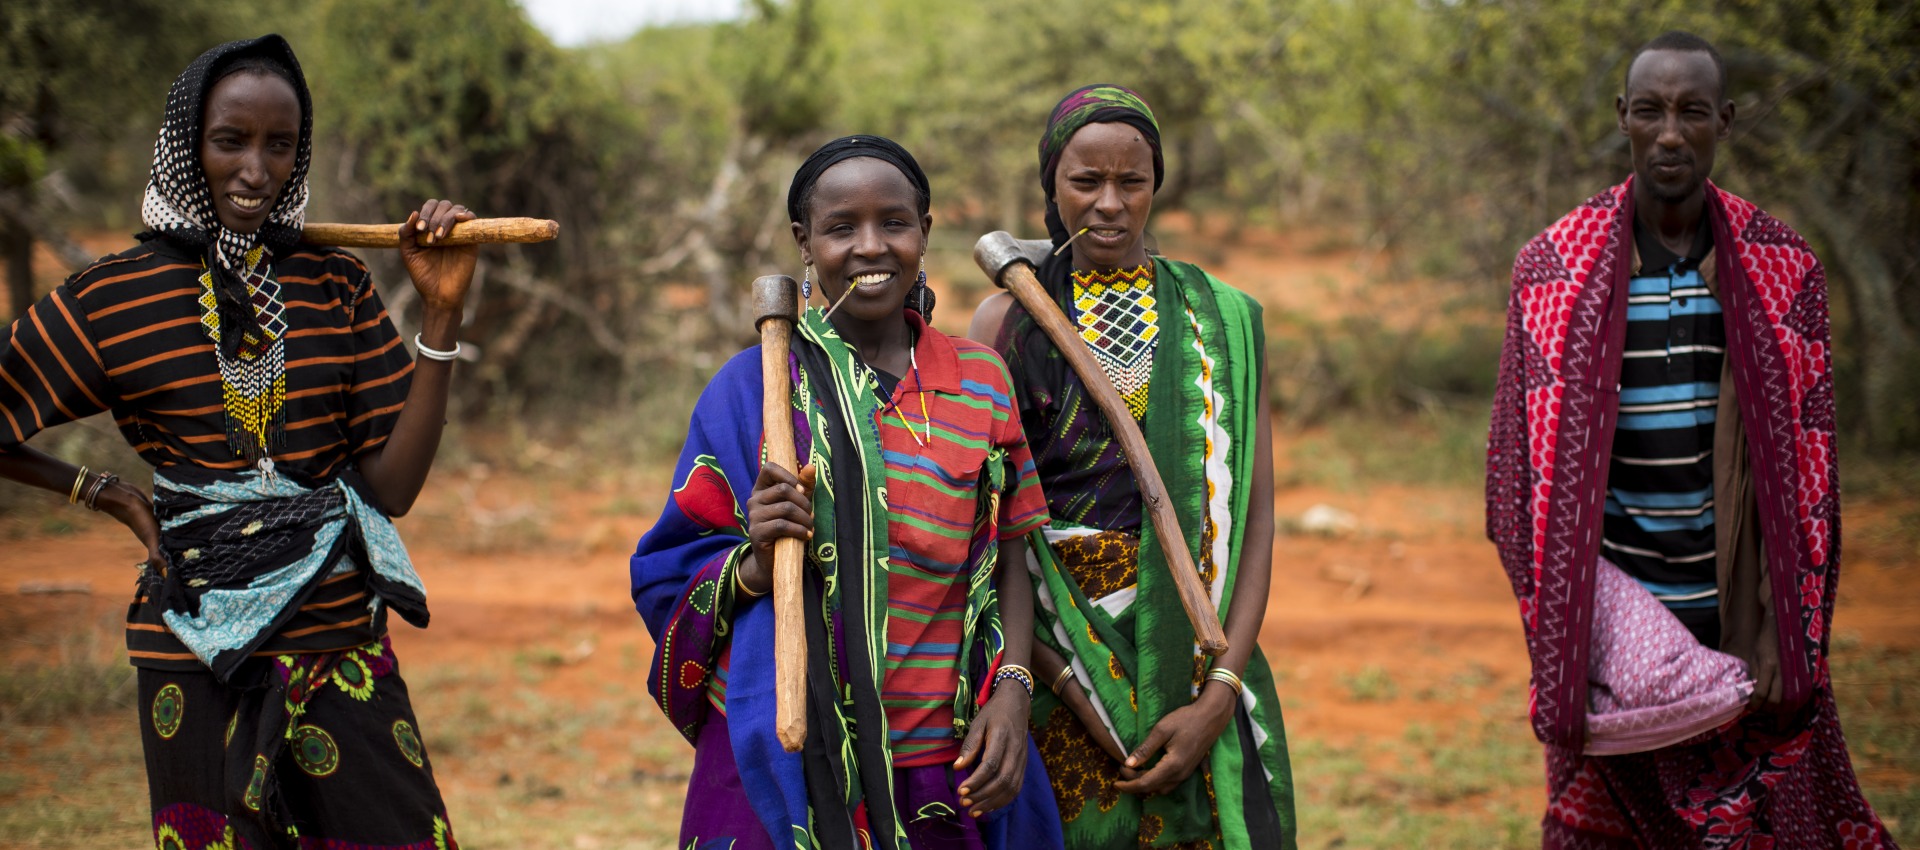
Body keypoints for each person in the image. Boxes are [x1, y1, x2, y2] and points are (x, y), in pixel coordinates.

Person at [0, 35, 475, 846]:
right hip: (192, 647)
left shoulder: (334, 284)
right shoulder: (112, 299)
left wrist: (440, 315)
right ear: (190, 145)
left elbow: (391, 491)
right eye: (232, 141)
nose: (257, 170)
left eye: (280, 145)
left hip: (338, 642)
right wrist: (103, 492)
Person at [1485, 31, 1897, 848]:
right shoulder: (1553, 269)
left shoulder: (1786, 269)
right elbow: (1513, 481)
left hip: (1736, 625)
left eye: (1692, 112)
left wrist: (1790, 636)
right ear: (1622, 120)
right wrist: (1568, 625)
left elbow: (1814, 487)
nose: (1670, 133)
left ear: (1726, 121)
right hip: (1614, 636)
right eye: (1650, 112)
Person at [630, 135, 1064, 850]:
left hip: (947, 761)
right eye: (841, 228)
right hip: (794, 762)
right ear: (804, 244)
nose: (871, 247)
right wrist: (754, 565)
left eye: (894, 223)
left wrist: (1014, 688)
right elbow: (670, 570)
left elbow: (1010, 550)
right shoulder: (755, 391)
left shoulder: (981, 380)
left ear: (925, 230)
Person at [969, 84, 1296, 850]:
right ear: (1051, 183)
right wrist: (1062, 682)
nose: (1109, 204)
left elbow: (1255, 518)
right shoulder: (1006, 319)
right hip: (1055, 654)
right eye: (1086, 182)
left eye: (1132, 182)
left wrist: (1221, 691)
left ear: (1158, 184)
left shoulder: (1225, 318)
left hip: (1196, 657)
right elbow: (991, 528)